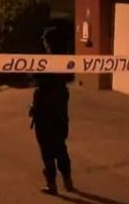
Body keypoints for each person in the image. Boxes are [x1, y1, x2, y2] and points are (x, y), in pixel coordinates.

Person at [30, 25, 76, 195]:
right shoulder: (65, 62)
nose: (44, 43)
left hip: (45, 112)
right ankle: (67, 181)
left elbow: (35, 78)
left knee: (47, 149)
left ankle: (52, 184)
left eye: (45, 40)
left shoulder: (47, 62)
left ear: (50, 42)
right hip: (60, 112)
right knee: (60, 146)